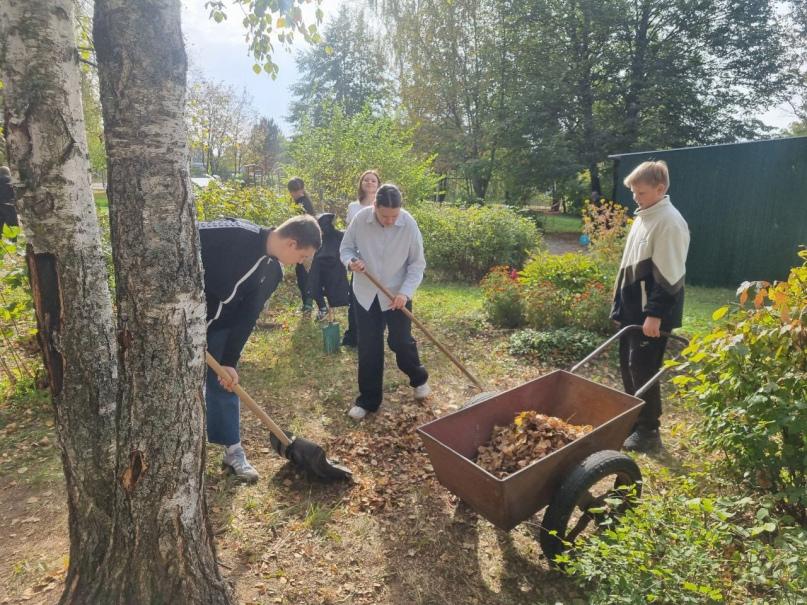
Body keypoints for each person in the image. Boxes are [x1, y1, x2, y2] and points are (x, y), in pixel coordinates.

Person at [201, 214, 322, 481]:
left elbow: (247, 316)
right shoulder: (234, 231)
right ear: (291, 243)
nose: (300, 263)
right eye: (302, 256)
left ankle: (232, 451)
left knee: (225, 384)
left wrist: (230, 360)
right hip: (179, 323)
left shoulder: (273, 272)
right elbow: (184, 236)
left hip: (221, 331)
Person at [610, 160, 689, 453]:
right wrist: (620, 307)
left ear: (660, 188)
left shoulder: (669, 222)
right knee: (629, 368)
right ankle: (633, 419)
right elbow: (629, 266)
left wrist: (654, 315)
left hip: (651, 315)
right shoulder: (645, 216)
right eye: (633, 193)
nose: (636, 198)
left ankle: (648, 430)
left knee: (643, 369)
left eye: (641, 192)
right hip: (633, 312)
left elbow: (670, 277)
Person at [339, 183, 429, 420]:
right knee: (369, 346)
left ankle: (419, 378)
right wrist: (351, 263)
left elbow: (417, 264)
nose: (390, 220)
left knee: (400, 341)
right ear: (375, 206)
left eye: (394, 216)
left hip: (396, 294)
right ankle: (368, 400)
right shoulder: (360, 219)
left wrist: (405, 293)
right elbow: (346, 248)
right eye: (385, 215)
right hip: (366, 292)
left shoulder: (408, 223)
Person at [341, 170, 380, 346]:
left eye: (373, 180)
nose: (370, 182)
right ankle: (353, 336)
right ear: (361, 183)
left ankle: (374, 334)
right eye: (366, 180)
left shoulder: (383, 207)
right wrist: (353, 259)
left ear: (378, 185)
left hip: (378, 260)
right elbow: (350, 235)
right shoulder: (353, 207)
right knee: (355, 298)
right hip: (358, 261)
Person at [287, 177, 322, 317]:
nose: (294, 193)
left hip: (305, 245)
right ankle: (308, 303)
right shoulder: (303, 201)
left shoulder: (302, 204)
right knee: (304, 275)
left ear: (301, 189)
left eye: (296, 190)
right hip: (304, 244)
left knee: (305, 276)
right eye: (293, 191)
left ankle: (310, 304)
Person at [0, 166, 19, 238]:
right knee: (13, 226)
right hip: (8, 206)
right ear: (8, 172)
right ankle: (14, 243)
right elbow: (21, 186)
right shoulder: (10, 179)